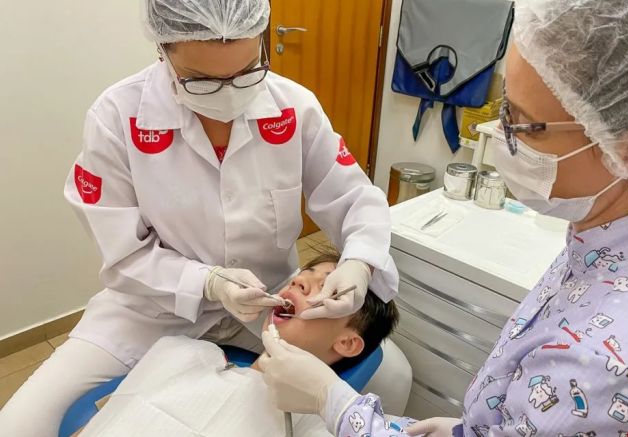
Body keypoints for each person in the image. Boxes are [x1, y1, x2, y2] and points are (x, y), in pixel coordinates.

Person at [260, 1, 628, 435]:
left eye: (521, 123)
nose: (497, 133)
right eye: (503, 107)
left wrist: (333, 403)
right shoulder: (619, 234)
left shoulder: (615, 369)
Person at [0, 1, 398, 434]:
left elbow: (354, 197)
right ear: (164, 50)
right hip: (153, 308)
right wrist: (207, 282)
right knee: (20, 423)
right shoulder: (117, 118)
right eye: (204, 81)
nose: (230, 91)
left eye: (247, 71)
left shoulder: (294, 108)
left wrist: (360, 261)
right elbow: (124, 255)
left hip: (265, 304)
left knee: (392, 371)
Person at [76, 252, 399, 436]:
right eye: (307, 272)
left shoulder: (317, 429)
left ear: (347, 343)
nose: (300, 279)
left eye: (326, 287)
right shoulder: (181, 353)